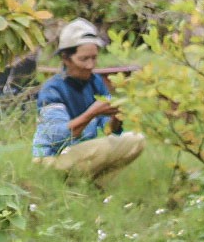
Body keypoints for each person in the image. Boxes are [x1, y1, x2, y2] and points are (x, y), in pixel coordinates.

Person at [32, 19, 145, 180]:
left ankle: (95, 187)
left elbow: (110, 132)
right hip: (52, 157)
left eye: (94, 58)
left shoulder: (95, 82)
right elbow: (57, 138)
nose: (90, 65)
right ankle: (68, 183)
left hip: (80, 152)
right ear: (66, 59)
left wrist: (116, 115)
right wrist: (91, 113)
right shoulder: (53, 90)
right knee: (103, 148)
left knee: (136, 141)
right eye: (84, 59)